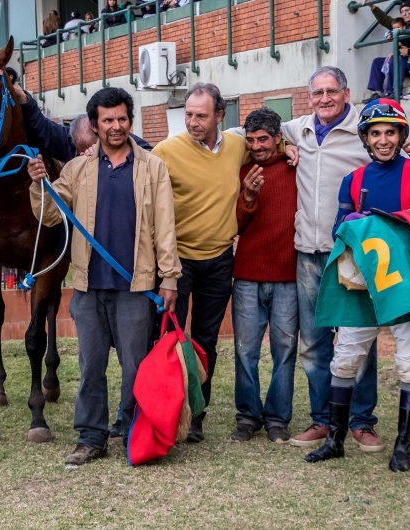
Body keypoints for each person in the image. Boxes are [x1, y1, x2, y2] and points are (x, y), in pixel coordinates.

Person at [281, 66, 410, 452]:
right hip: (360, 280)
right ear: (366, 137)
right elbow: (342, 228)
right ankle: (335, 439)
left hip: (405, 285)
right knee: (345, 357)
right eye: (375, 133)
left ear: (401, 135)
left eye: (390, 132)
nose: (382, 139)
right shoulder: (354, 180)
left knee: (409, 361)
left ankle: (402, 445)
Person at [26, 87, 181, 465]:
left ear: (131, 120)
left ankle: (133, 432)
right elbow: (48, 214)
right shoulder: (77, 169)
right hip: (89, 287)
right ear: (93, 125)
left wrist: (170, 277)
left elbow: (165, 226)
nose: (116, 126)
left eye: (122, 118)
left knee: (134, 367)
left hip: (136, 286)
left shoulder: (152, 166)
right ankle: (91, 437)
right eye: (107, 120)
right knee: (90, 365)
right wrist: (38, 182)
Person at [152, 83, 247, 443]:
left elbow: (273, 144)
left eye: (201, 115)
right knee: (167, 337)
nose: (192, 121)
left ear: (220, 116)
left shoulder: (238, 146)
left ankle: (197, 414)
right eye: (188, 114)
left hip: (220, 261)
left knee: (206, 341)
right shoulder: (165, 151)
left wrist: (293, 150)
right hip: (178, 263)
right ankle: (167, 413)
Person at [230, 108, 298, 445]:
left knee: (284, 349)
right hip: (246, 276)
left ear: (278, 138)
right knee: (245, 350)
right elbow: (236, 225)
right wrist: (249, 196)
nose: (257, 146)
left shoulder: (295, 167)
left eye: (263, 139)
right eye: (252, 140)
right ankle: (247, 417)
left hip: (288, 275)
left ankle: (277, 419)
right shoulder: (242, 171)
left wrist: (292, 152)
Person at [10, 82, 151, 163]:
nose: (116, 126)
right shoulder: (68, 142)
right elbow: (43, 128)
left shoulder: (143, 153)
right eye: (79, 153)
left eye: (121, 119)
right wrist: (25, 101)